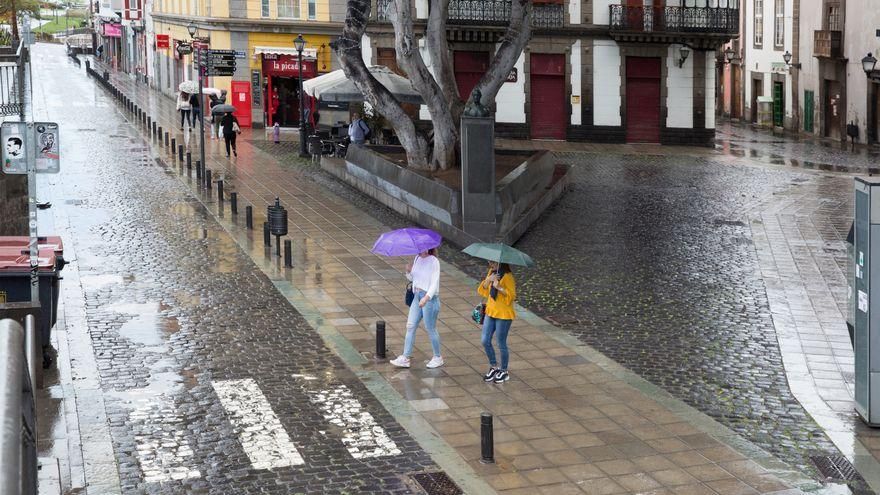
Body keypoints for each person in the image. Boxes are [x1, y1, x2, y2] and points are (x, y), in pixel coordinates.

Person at [391, 248, 444, 369]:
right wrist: (408, 271)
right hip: (417, 296)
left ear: (428, 248)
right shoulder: (417, 258)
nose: (419, 250)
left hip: (429, 299)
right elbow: (413, 279)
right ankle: (405, 357)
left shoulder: (434, 261)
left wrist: (426, 298)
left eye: (422, 247)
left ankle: (438, 357)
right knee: (410, 326)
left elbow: (434, 283)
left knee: (430, 328)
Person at [477, 261, 516, 383]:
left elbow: (512, 296)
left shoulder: (508, 277)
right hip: (490, 311)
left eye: (493, 262)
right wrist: (489, 279)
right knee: (485, 340)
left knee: (501, 343)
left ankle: (504, 371)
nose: (490, 264)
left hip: (503, 315)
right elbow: (483, 291)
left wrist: (499, 287)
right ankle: (494, 366)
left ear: (501, 263)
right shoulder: (492, 272)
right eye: (489, 261)